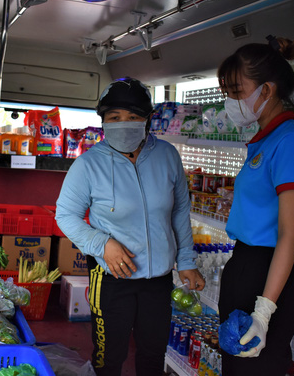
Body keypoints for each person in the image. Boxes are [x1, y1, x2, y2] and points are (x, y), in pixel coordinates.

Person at [55, 77, 205, 376]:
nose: (124, 123)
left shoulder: (167, 156)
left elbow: (179, 212)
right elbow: (66, 215)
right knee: (110, 356)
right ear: (104, 121)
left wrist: (186, 261)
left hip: (159, 279)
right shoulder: (88, 165)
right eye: (115, 117)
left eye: (133, 117)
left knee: (152, 354)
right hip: (112, 278)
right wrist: (102, 244)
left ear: (147, 119)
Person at [216, 36, 294, 376]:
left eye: (236, 92)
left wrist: (263, 312)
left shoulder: (291, 143)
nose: (231, 102)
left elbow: (289, 235)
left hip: (269, 275)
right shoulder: (266, 140)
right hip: (247, 264)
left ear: (267, 90)